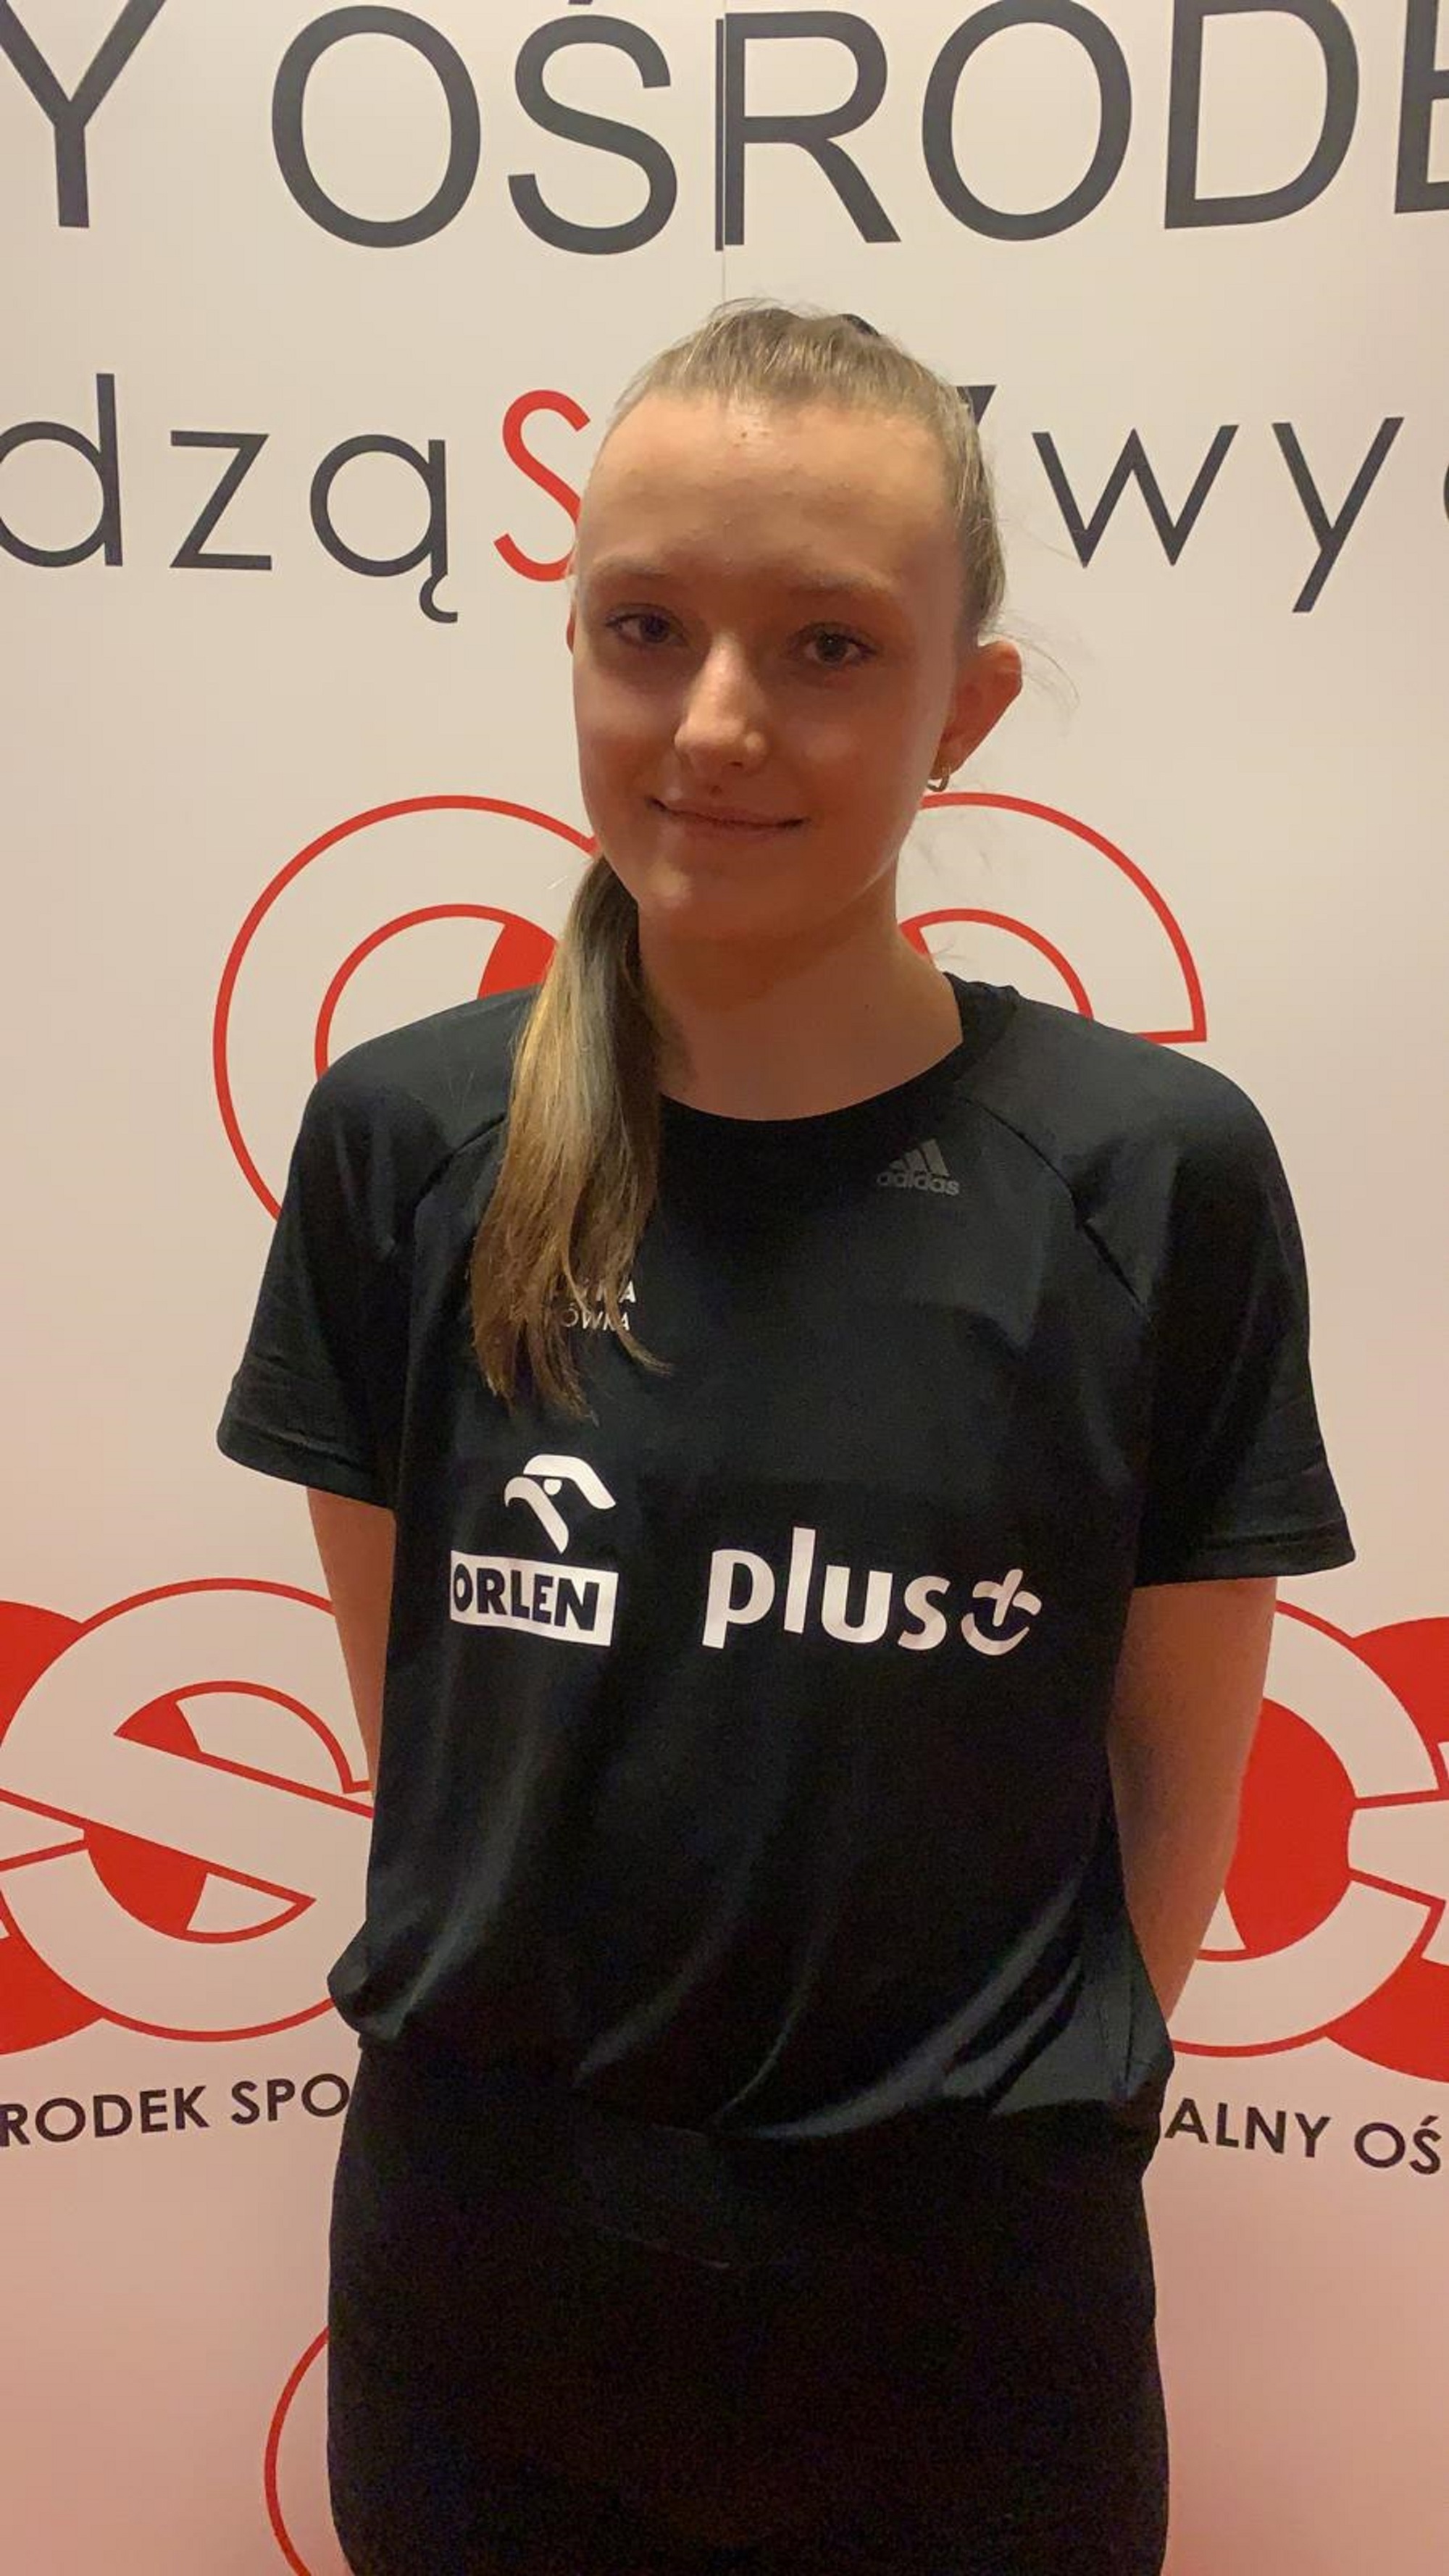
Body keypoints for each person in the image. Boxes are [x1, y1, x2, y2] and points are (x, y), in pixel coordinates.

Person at [217, 300, 1355, 2574]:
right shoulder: (402, 1143)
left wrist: (1001, 2151)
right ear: (572, 642)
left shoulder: (1154, 1179)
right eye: (647, 627)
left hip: (970, 2334)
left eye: (830, 645)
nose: (719, 721)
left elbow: (1173, 1787)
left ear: (969, 706)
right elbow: (435, 1731)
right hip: (486, 2304)